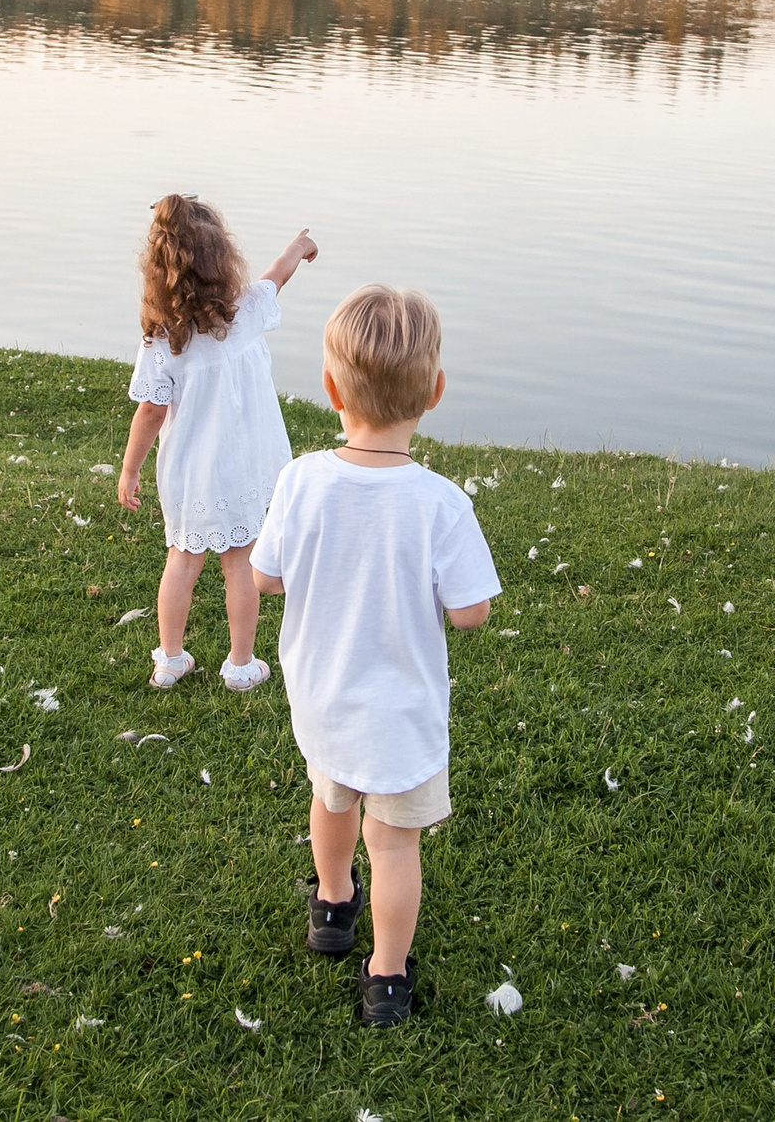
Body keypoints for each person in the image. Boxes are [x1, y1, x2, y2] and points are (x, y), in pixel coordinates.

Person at [250, 284, 501, 1026]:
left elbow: (264, 577)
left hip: (325, 701)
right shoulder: (441, 503)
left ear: (330, 388)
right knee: (394, 846)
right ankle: (386, 978)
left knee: (331, 800)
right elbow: (472, 612)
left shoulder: (301, 479)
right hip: (402, 719)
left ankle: (331, 905)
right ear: (436, 390)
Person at [116, 195, 318, 690]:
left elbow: (150, 410)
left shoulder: (163, 341)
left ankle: (169, 658)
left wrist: (130, 469)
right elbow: (277, 276)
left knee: (182, 561)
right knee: (241, 566)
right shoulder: (246, 311)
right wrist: (300, 245)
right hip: (245, 470)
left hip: (191, 474)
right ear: (223, 261)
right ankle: (242, 666)